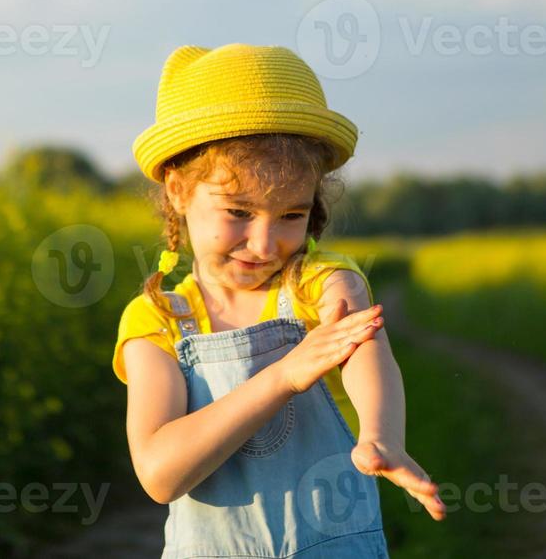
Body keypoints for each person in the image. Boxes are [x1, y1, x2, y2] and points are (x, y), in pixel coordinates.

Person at [114, 43, 446, 558]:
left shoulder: (318, 281)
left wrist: (382, 436)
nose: (266, 245)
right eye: (239, 213)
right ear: (178, 191)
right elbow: (160, 474)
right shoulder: (157, 319)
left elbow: (360, 343)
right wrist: (283, 376)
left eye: (292, 215)